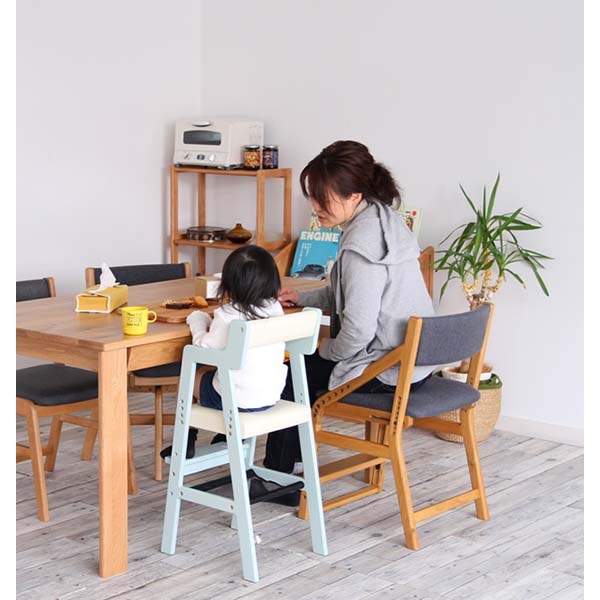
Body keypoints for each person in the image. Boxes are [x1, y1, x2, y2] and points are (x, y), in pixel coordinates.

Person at [263, 140, 436, 492]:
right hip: (416, 363)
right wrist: (303, 297)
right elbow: (354, 294)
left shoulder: (361, 246)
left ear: (354, 195)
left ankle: (275, 479)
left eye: (321, 198)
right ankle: (290, 463)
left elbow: (357, 332)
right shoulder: (384, 220)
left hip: (386, 369)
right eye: (312, 197)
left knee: (292, 372)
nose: (315, 207)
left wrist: (324, 349)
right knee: (304, 366)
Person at [161, 245, 288, 459]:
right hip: (270, 395)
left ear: (227, 284)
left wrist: (198, 320)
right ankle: (224, 437)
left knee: (192, 376)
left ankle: (186, 438)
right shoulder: (276, 309)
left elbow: (202, 345)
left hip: (236, 400)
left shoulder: (228, 316)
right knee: (221, 370)